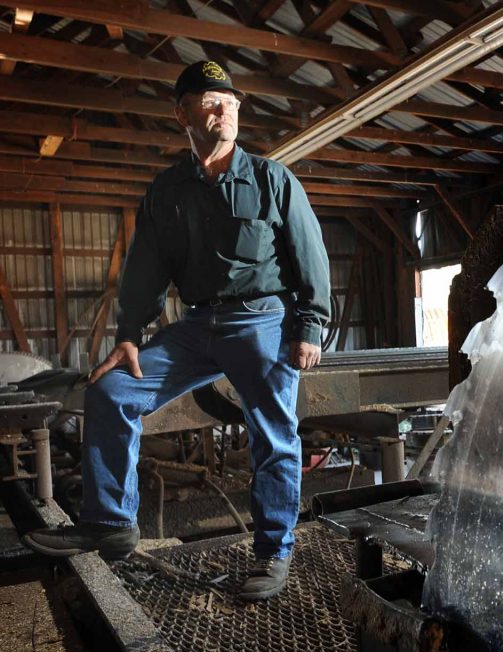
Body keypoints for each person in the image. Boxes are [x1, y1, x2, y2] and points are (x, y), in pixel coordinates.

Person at [22, 60, 331, 601]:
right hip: (197, 326)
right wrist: (128, 334)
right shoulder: (167, 191)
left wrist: (311, 326)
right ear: (182, 114)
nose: (225, 113)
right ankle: (111, 524)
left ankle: (273, 551)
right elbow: (144, 269)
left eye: (231, 104)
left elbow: (310, 256)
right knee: (111, 390)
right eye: (211, 104)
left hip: (263, 322)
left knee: (273, 434)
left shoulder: (271, 179)